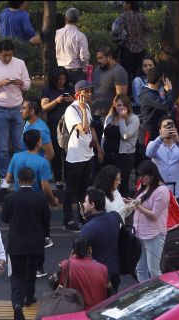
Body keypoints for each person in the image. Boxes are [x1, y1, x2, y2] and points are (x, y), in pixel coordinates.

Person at [2, 167, 50, 320]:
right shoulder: (41, 199)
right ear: (33, 181)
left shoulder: (10, 198)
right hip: (36, 243)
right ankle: (29, 297)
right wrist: (45, 237)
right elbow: (46, 221)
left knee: (17, 274)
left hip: (16, 243)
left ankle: (17, 302)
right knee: (31, 271)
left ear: (18, 180)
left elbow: (4, 218)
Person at [0, 39, 31, 188]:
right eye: (5, 55)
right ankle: (4, 177)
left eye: (10, 55)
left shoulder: (20, 63)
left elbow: (27, 84)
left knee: (19, 144)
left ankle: (20, 177)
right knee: (3, 146)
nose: (8, 58)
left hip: (17, 108)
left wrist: (21, 83)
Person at [63, 80, 100, 232]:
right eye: (86, 91)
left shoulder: (87, 107)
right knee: (71, 189)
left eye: (90, 91)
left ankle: (82, 215)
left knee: (83, 188)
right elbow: (83, 129)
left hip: (87, 154)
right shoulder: (71, 110)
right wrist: (83, 110)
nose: (90, 94)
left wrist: (97, 147)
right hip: (76, 156)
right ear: (78, 94)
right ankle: (68, 219)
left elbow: (90, 128)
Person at [130, 161, 170, 282]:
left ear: (152, 175)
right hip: (140, 233)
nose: (141, 179)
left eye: (143, 176)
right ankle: (145, 292)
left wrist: (137, 206)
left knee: (154, 270)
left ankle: (158, 293)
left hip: (154, 234)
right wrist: (131, 203)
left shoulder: (162, 190)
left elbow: (154, 215)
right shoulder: (145, 187)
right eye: (139, 176)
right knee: (140, 268)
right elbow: (140, 205)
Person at [146, 116, 179, 207]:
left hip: (177, 192)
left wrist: (178, 141)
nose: (168, 129)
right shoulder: (153, 144)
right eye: (165, 127)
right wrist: (160, 138)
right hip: (157, 191)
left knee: (178, 216)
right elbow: (149, 153)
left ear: (175, 129)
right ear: (160, 131)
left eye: (171, 126)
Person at [81, 189, 122, 290]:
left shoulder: (88, 228)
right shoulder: (114, 217)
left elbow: (80, 253)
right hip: (115, 272)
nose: (83, 204)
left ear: (92, 205)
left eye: (85, 202)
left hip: (98, 276)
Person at [40, 66, 74, 188]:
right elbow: (44, 107)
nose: (61, 81)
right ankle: (58, 178)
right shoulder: (48, 90)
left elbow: (80, 104)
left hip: (69, 124)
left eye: (64, 79)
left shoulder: (70, 88)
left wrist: (72, 100)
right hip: (54, 124)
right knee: (56, 151)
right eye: (59, 79)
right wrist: (56, 101)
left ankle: (68, 178)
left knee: (69, 151)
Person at [6, 129, 58, 205]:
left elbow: (7, 179)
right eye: (41, 140)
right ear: (38, 143)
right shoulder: (43, 162)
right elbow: (45, 187)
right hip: (36, 201)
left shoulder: (15, 157)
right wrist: (53, 200)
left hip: (18, 200)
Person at [102, 94, 139, 196]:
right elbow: (104, 135)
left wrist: (122, 119)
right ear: (114, 106)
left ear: (128, 106)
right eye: (118, 105)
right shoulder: (110, 117)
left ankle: (124, 204)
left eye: (124, 105)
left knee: (123, 185)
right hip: (109, 156)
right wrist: (102, 150)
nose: (121, 108)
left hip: (124, 156)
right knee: (107, 185)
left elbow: (125, 135)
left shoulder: (133, 119)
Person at [57, 237, 109, 310]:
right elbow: (110, 293)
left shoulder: (65, 265)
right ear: (90, 249)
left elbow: (53, 284)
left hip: (73, 311)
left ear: (73, 250)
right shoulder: (103, 269)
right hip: (96, 312)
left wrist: (69, 259)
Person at [91, 45, 129, 138]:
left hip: (109, 117)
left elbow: (121, 97)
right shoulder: (97, 69)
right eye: (97, 58)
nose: (98, 60)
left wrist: (112, 116)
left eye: (101, 58)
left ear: (110, 57)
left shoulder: (119, 71)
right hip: (94, 114)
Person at [111, 1, 150, 77]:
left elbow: (115, 30)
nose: (123, 5)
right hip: (140, 50)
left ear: (129, 5)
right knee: (139, 74)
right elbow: (147, 30)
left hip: (127, 50)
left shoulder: (124, 16)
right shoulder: (142, 17)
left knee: (126, 74)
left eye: (124, 3)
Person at [138, 67, 175, 148]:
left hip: (155, 131)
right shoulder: (148, 95)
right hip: (149, 133)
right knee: (148, 154)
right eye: (163, 79)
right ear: (159, 80)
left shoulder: (151, 92)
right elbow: (167, 106)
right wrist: (169, 90)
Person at [55, 8, 89, 86]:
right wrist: (84, 69)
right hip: (75, 72)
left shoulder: (57, 33)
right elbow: (84, 57)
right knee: (76, 93)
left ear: (65, 18)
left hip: (59, 70)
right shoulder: (80, 35)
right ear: (78, 20)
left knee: (61, 92)